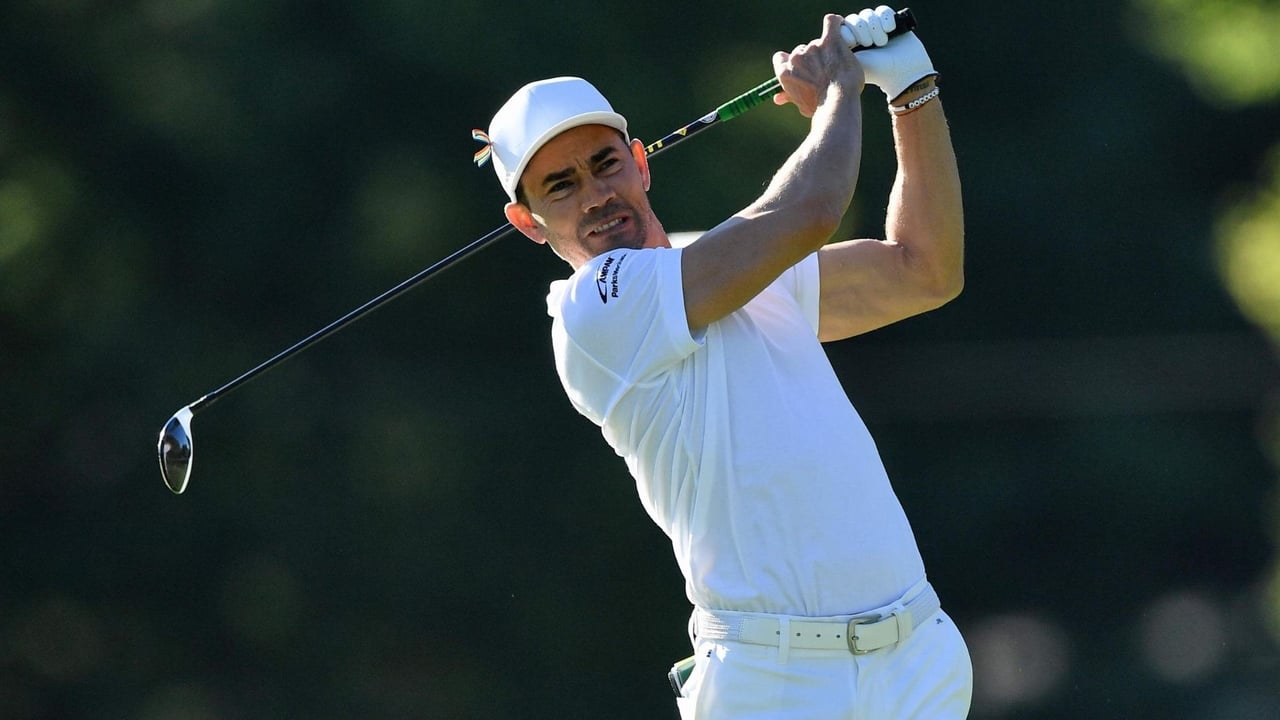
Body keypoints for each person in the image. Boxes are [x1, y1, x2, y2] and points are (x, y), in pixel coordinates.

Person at [475, 6, 969, 718]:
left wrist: (910, 91)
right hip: (774, 682)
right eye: (560, 186)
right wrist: (837, 89)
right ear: (527, 222)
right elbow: (808, 211)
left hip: (916, 658)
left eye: (605, 164)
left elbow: (925, 270)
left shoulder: (722, 263)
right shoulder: (593, 313)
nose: (596, 196)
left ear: (640, 162)